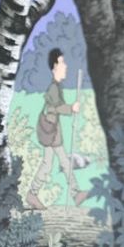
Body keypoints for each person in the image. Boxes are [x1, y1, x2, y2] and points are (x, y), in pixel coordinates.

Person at [27, 48, 88, 210]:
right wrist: (71, 108)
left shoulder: (56, 86)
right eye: (62, 63)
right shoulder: (53, 88)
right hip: (51, 132)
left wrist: (69, 108)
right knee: (54, 163)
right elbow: (55, 107)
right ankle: (35, 194)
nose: (65, 66)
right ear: (54, 67)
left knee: (55, 163)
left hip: (52, 131)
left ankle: (74, 194)